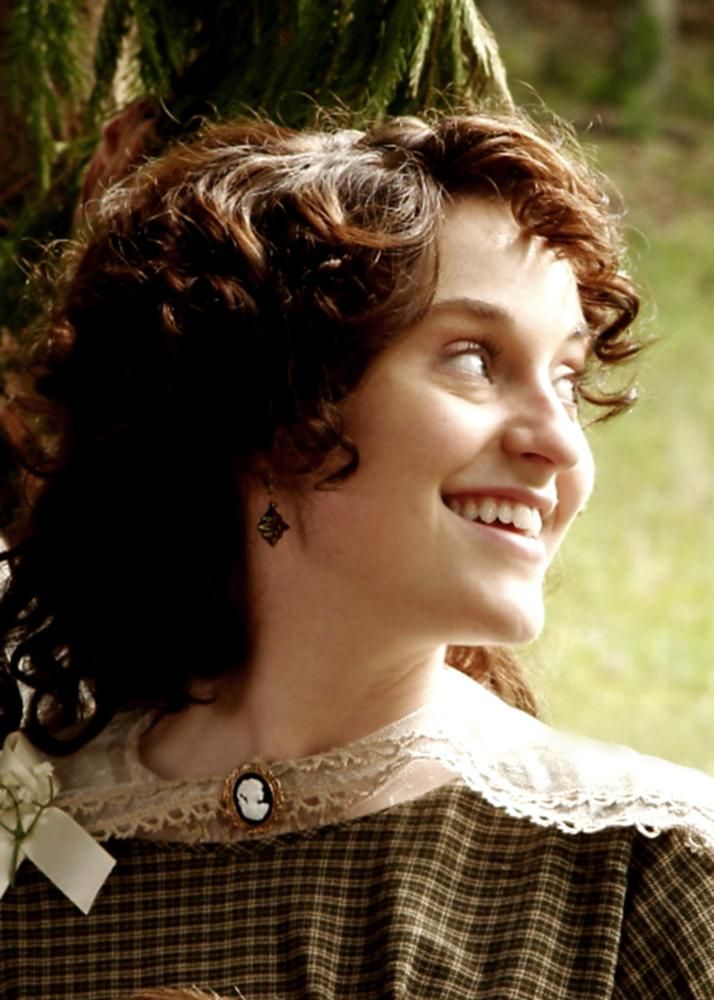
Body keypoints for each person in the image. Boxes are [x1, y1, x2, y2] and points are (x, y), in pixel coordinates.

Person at [0, 111, 712, 999]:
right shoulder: (35, 852)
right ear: (278, 414)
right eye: (474, 360)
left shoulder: (644, 871)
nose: (561, 444)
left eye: (567, 381)